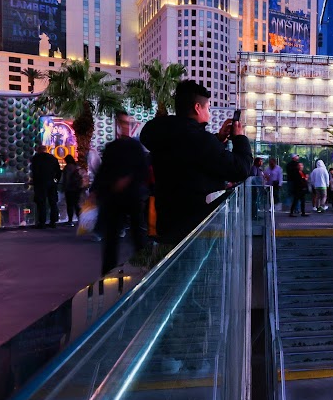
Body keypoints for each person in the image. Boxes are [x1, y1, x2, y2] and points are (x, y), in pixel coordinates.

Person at [139, 80, 252, 245]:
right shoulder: (199, 140)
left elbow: (190, 154)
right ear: (197, 107)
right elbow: (241, 168)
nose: (210, 113)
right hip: (197, 228)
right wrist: (240, 138)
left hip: (168, 222)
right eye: (208, 108)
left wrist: (218, 138)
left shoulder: (165, 134)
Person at [93, 111, 150, 274]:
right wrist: (97, 190)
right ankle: (108, 272)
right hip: (116, 199)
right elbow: (103, 172)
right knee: (113, 238)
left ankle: (144, 267)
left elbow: (142, 171)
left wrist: (127, 180)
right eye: (122, 123)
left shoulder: (134, 147)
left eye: (127, 123)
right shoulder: (113, 148)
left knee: (137, 234)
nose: (125, 127)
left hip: (129, 197)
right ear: (118, 124)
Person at [30, 145, 61, 228]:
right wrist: (56, 181)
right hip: (51, 182)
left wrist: (34, 181)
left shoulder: (36, 158)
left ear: (38, 150)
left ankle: (42, 222)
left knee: (41, 202)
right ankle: (53, 221)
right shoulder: (53, 158)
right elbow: (58, 171)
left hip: (40, 183)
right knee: (53, 202)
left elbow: (35, 171)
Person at [60, 155, 84, 226]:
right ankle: (81, 219)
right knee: (76, 204)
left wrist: (64, 188)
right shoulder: (76, 166)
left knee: (70, 205)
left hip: (70, 189)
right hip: (77, 188)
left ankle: (70, 220)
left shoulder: (68, 167)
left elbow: (66, 179)